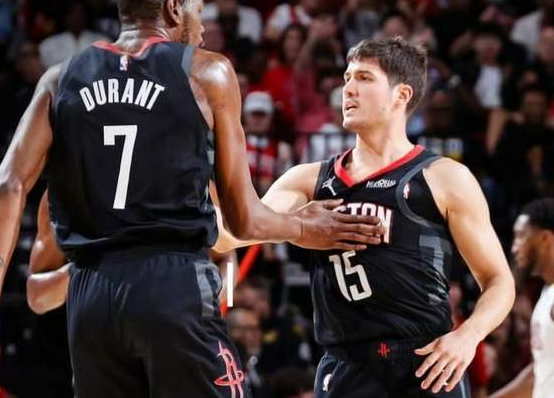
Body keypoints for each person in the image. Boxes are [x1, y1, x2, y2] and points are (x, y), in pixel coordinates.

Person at [0, 0, 384, 397]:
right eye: (199, 13)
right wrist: (303, 226)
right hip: (172, 283)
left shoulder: (58, 79)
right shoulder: (207, 71)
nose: (202, 29)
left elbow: (7, 188)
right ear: (174, 9)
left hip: (89, 297)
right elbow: (243, 219)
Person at [216, 37, 516, 397]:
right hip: (346, 365)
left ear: (401, 94)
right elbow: (229, 237)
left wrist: (468, 336)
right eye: (347, 78)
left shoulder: (443, 177)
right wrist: (294, 226)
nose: (348, 89)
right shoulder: (308, 180)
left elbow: (499, 281)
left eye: (364, 78)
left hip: (426, 363)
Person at [490, 198, 554, 398]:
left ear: (545, 238)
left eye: (521, 236)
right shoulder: (547, 292)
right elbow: (538, 374)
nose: (515, 248)